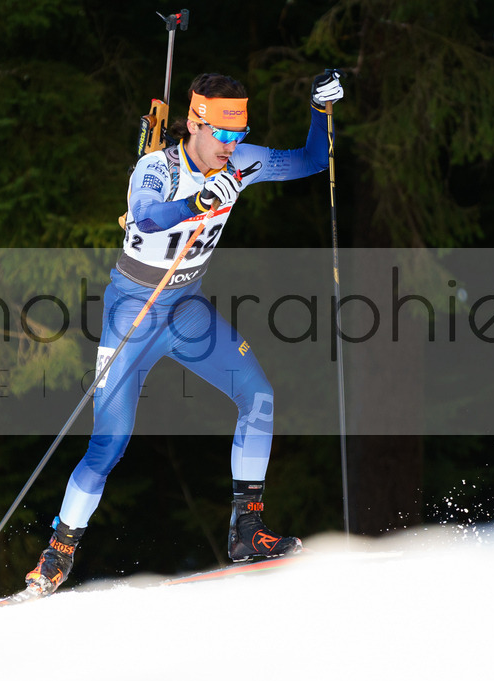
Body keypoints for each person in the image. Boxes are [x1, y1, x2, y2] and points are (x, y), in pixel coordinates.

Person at [23, 70, 345, 596]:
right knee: (110, 442)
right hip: (133, 310)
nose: (232, 146)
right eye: (222, 134)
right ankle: (59, 551)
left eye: (239, 134)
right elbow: (147, 219)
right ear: (195, 124)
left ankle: (247, 530)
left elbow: (312, 160)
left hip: (185, 307)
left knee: (258, 395)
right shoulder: (157, 167)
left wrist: (318, 108)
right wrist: (198, 203)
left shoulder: (240, 163)